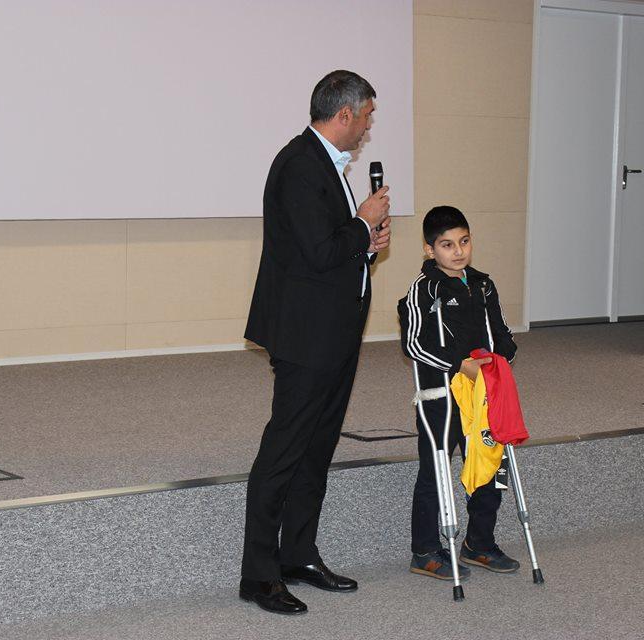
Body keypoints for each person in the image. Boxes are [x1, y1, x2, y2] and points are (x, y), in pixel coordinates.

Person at [240, 70, 391, 615]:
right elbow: (318, 250)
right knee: (285, 450)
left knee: (316, 448)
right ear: (344, 113)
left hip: (334, 331)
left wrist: (365, 243)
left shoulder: (328, 164)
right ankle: (258, 575)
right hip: (306, 336)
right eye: (367, 116)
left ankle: (298, 555)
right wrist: (362, 223)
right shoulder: (300, 164)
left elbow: (332, 249)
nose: (368, 127)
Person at [397, 205, 519, 580]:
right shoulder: (422, 290)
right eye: (447, 244)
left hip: (483, 395)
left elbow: (502, 332)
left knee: (491, 466)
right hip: (442, 396)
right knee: (435, 470)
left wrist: (501, 359)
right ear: (429, 249)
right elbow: (414, 344)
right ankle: (424, 551)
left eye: (464, 241)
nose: (458, 251)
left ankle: (479, 543)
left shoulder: (483, 284)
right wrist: (459, 365)